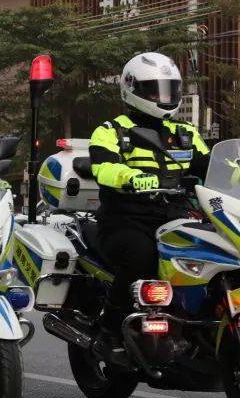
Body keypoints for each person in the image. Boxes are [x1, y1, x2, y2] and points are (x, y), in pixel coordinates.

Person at [89, 51, 209, 333]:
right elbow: (103, 168)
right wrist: (132, 177)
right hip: (126, 220)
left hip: (176, 219)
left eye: (169, 90)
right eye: (154, 89)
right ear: (133, 89)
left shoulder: (186, 133)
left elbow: (213, 165)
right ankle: (111, 325)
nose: (163, 97)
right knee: (141, 257)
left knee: (210, 256)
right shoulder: (112, 131)